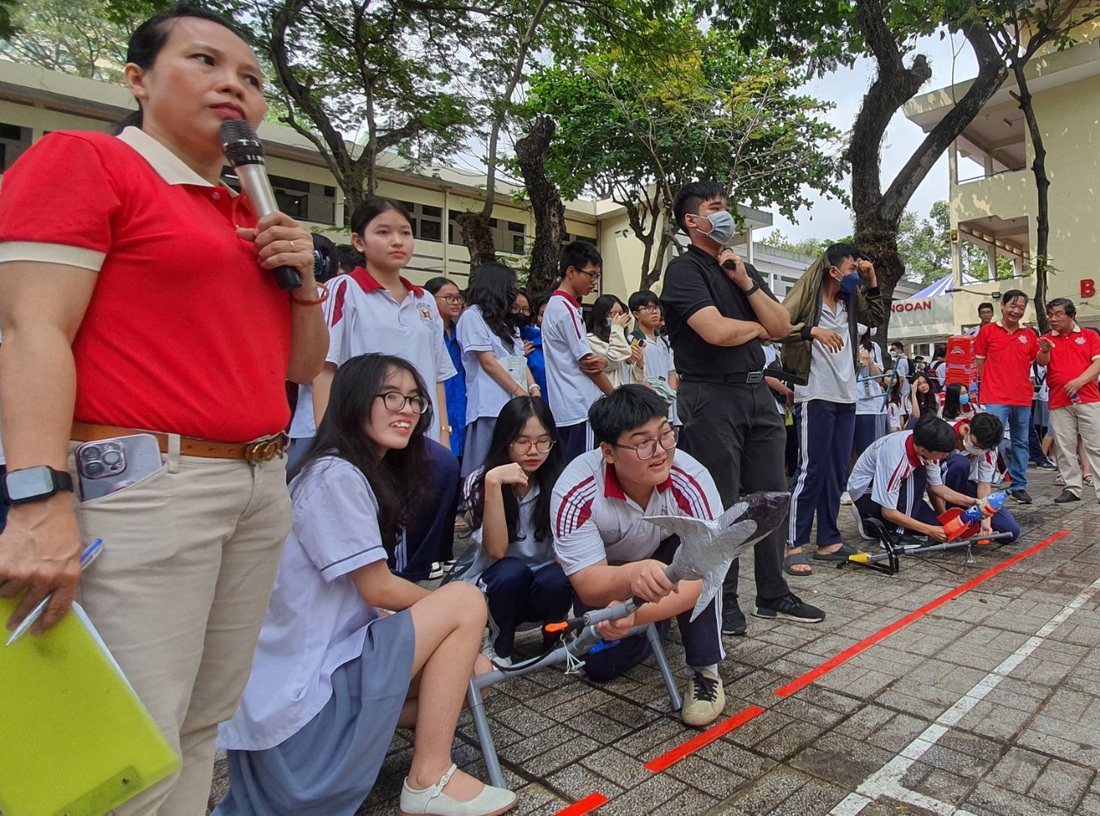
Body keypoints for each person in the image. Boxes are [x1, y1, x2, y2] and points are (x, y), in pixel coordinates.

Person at [0, 7, 329, 813]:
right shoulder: (87, 162)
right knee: (126, 746)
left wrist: (306, 283)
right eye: (206, 62)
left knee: (198, 726)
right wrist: (37, 500)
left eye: (252, 80)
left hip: (256, 483)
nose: (235, 86)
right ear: (138, 79)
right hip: (149, 485)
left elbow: (301, 365)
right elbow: (30, 327)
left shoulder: (248, 214)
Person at [215, 354, 516, 816]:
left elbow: (362, 599)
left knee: (469, 675)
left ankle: (371, 746)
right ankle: (428, 778)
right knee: (465, 600)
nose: (408, 410)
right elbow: (378, 589)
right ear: (354, 402)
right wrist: (462, 621)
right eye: (391, 396)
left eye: (415, 399)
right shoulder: (335, 476)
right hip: (303, 704)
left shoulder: (342, 472)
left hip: (310, 688)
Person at [659, 180, 824, 636]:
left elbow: (783, 325)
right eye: (716, 208)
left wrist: (747, 284)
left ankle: (772, 593)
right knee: (724, 503)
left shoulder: (740, 268)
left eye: (728, 208)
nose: (727, 216)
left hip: (757, 394)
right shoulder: (684, 272)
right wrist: (758, 326)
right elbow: (715, 332)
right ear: (693, 221)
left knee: (772, 497)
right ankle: (723, 599)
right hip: (711, 395)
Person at [551, 385, 728, 727]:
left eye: (665, 434)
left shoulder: (691, 480)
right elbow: (588, 583)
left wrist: (635, 615)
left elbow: (710, 574)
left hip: (672, 557)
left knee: (700, 557)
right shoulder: (576, 491)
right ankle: (657, 620)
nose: (660, 451)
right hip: (611, 572)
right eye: (642, 442)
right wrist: (633, 582)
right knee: (600, 665)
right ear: (608, 452)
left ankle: (706, 670)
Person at [305, 196, 460, 580]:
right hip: (361, 429)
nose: (398, 241)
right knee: (372, 510)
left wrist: (441, 433)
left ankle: (408, 580)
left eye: (405, 233)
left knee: (441, 472)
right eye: (384, 232)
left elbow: (437, 372)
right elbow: (325, 368)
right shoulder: (345, 290)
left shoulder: (425, 300)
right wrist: (330, 437)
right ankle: (378, 584)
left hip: (413, 427)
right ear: (359, 242)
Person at [779, 242, 884, 574]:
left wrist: (871, 278)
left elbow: (877, 317)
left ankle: (829, 540)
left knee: (837, 471)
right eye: (852, 269)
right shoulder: (808, 299)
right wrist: (813, 331)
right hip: (815, 392)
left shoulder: (849, 301)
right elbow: (777, 327)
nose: (855, 274)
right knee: (812, 469)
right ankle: (792, 543)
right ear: (832, 270)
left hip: (846, 394)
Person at [461, 397, 571, 664]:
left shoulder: (562, 479)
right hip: (497, 586)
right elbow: (497, 551)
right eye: (522, 441)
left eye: (543, 441)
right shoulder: (481, 480)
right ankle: (500, 644)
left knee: (560, 575)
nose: (533, 451)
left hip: (543, 584)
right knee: (511, 570)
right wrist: (495, 483)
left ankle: (554, 639)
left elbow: (566, 554)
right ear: (505, 440)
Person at [456, 263, 538, 477]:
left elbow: (519, 359)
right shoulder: (471, 317)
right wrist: (520, 392)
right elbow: (488, 363)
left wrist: (533, 388)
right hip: (489, 406)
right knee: (485, 467)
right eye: (510, 286)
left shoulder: (506, 323)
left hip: (515, 405)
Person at [849, 417, 981, 542]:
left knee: (934, 525)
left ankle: (871, 518)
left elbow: (937, 487)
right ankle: (896, 535)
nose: (945, 456)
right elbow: (888, 511)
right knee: (918, 474)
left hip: (889, 489)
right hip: (865, 492)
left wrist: (971, 502)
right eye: (942, 454)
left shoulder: (924, 443)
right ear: (923, 450)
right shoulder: (897, 460)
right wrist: (930, 531)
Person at [542, 241, 614, 461]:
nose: (594, 282)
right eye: (591, 275)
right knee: (586, 470)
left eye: (597, 277)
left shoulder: (558, 306)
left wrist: (601, 360)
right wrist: (615, 395)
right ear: (571, 271)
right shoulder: (566, 309)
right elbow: (588, 363)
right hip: (579, 405)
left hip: (566, 406)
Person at [975, 290, 1038, 504]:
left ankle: (1019, 486)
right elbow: (980, 363)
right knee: (991, 440)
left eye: (1021, 307)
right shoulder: (987, 332)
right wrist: (990, 384)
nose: (1016, 311)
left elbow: (1032, 362)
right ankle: (986, 481)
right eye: (1012, 305)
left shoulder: (1029, 334)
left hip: (1022, 397)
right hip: (995, 396)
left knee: (1021, 442)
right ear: (1002, 305)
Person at [1036, 297, 1100, 504]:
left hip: (1088, 398)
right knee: (1064, 446)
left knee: (1095, 445)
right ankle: (1072, 487)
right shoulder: (1047, 338)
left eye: (1058, 314)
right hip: (1059, 400)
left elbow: (1097, 364)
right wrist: (1045, 350)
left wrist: (1080, 381)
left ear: (1072, 315)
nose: (1053, 319)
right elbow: (1041, 362)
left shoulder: (1089, 336)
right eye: (1050, 315)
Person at [940, 413, 1020, 542]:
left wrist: (985, 519)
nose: (980, 450)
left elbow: (984, 485)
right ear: (967, 430)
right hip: (941, 487)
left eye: (985, 448)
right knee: (960, 464)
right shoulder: (944, 433)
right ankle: (948, 516)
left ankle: (970, 524)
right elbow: (932, 484)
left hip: (968, 485)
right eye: (978, 445)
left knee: (1011, 531)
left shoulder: (989, 449)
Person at [425, 276, 468, 462]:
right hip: (438, 407)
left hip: (463, 409)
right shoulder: (425, 334)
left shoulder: (463, 333)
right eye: (449, 297)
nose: (456, 302)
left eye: (458, 297)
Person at [630, 290, 680, 425]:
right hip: (646, 403)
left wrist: (669, 394)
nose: (654, 312)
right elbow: (633, 374)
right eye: (647, 308)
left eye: (656, 307)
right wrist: (653, 397)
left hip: (667, 404)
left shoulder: (664, 342)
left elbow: (671, 371)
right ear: (636, 314)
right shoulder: (633, 340)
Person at [587, 294, 644, 388]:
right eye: (614, 314)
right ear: (602, 316)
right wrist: (617, 328)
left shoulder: (622, 341)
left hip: (625, 397)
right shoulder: (591, 340)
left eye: (621, 314)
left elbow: (636, 380)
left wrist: (639, 365)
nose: (619, 318)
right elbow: (613, 361)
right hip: (606, 397)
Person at [853, 325, 888, 461]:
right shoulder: (844, 343)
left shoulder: (873, 347)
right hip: (846, 402)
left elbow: (879, 378)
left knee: (865, 451)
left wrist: (870, 362)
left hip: (866, 406)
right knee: (846, 452)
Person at [522, 292, 550, 396]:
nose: (547, 319)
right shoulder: (528, 341)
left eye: (551, 314)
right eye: (542, 315)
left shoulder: (572, 345)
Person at [889, 341, 911, 422]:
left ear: (899, 349)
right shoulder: (905, 359)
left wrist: (898, 390)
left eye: (893, 349)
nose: (892, 351)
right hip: (907, 387)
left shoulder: (900, 361)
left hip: (903, 388)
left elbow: (901, 378)